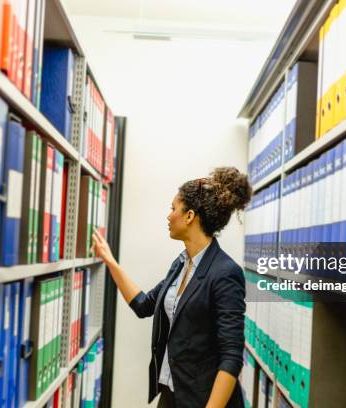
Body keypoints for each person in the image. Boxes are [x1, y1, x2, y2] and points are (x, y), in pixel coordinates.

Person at [91, 167, 252, 408]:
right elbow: (144, 305)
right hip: (171, 393)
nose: (169, 216)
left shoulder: (225, 273)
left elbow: (231, 357)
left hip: (202, 400)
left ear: (189, 216)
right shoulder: (181, 263)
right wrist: (110, 261)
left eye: (173, 208)